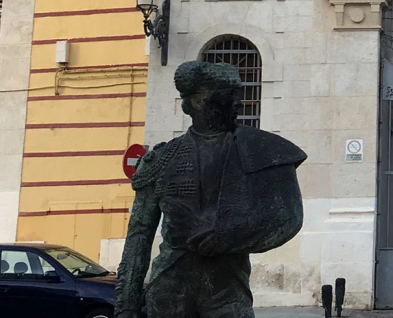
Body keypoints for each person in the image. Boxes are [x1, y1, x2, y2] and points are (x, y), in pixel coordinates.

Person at [116, 61, 306, 318]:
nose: (238, 103)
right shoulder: (161, 160)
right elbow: (139, 235)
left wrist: (230, 236)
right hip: (169, 292)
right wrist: (127, 303)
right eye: (229, 97)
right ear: (198, 103)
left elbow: (287, 218)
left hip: (227, 290)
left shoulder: (255, 150)